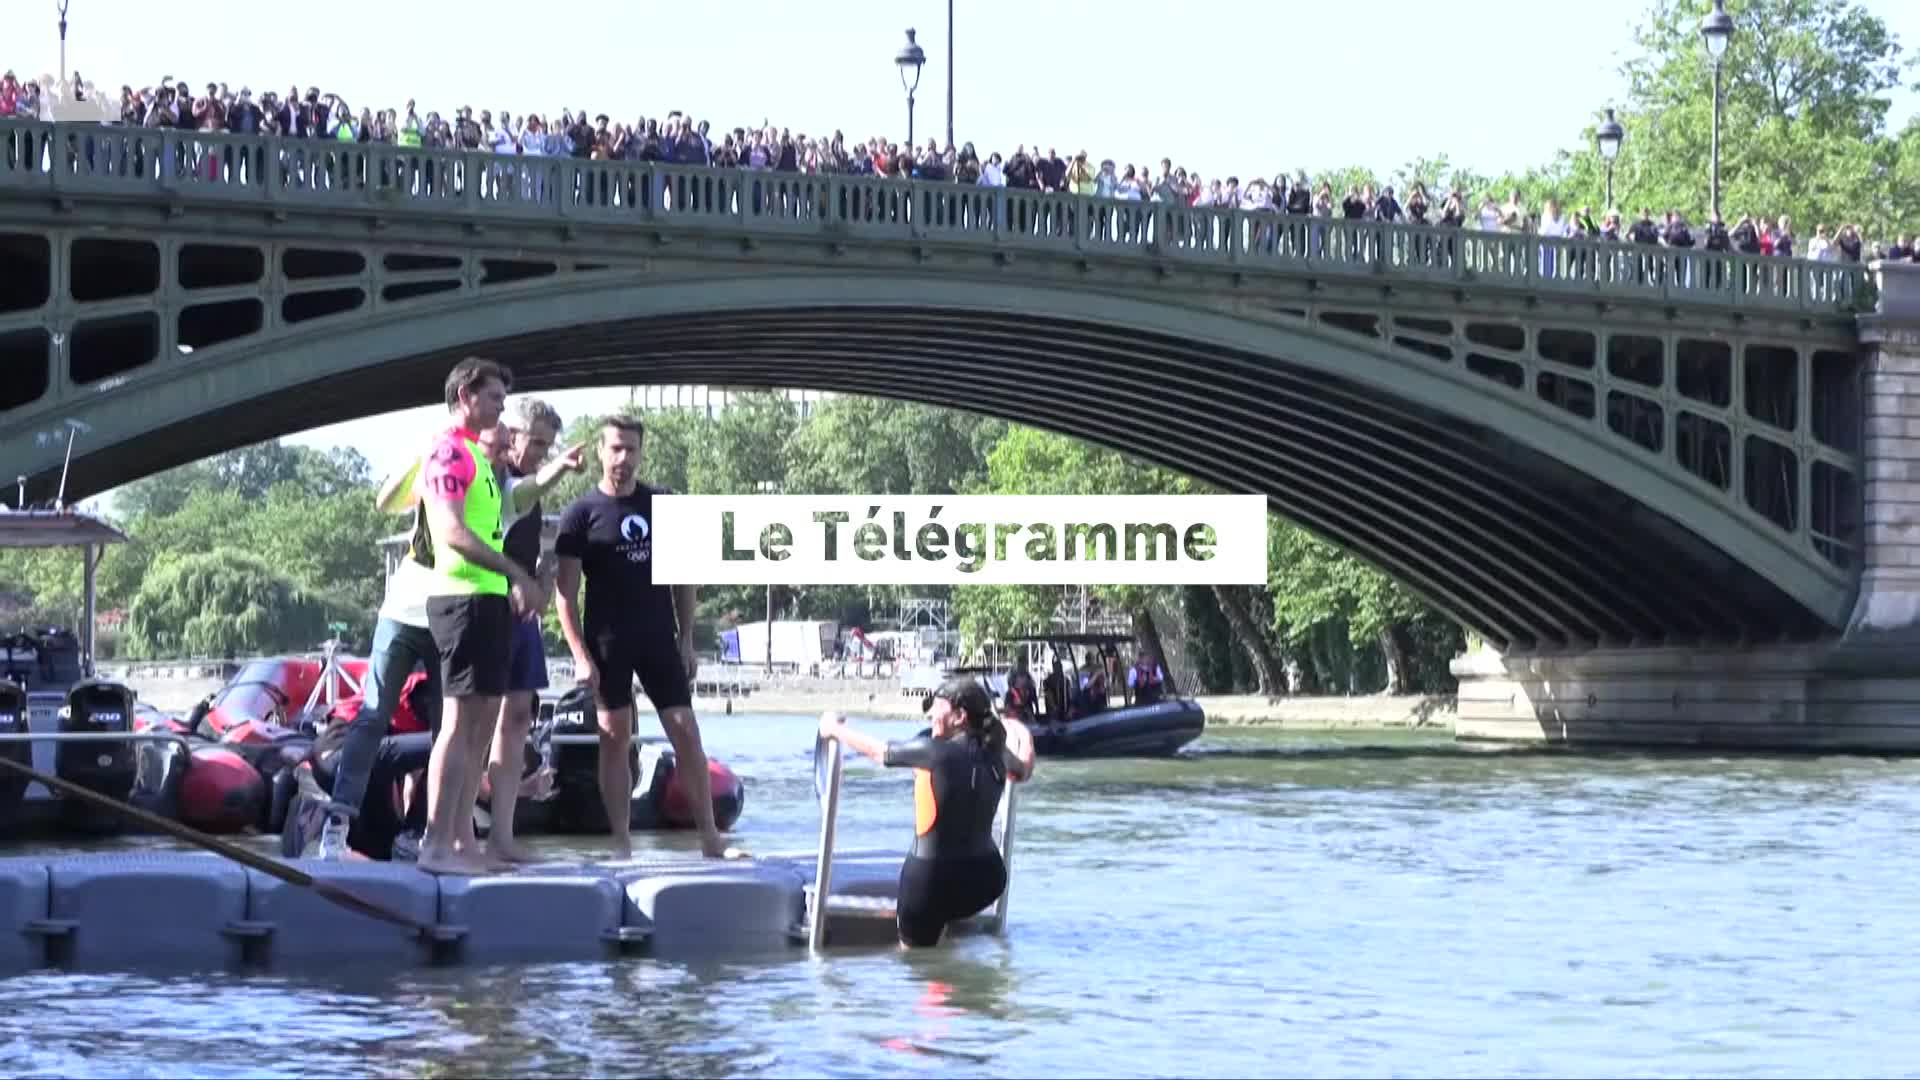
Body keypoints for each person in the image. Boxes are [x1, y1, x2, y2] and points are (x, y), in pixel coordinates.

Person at [554, 415, 735, 860]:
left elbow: (685, 579)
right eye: (615, 448)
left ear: (641, 453)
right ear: (601, 451)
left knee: (686, 733)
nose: (624, 458)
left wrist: (687, 637)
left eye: (631, 449)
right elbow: (564, 596)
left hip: (658, 637)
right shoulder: (581, 514)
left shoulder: (665, 504)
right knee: (614, 741)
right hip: (607, 642)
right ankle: (621, 842)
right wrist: (581, 655)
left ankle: (711, 839)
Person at [414, 357, 539, 876]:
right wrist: (516, 571)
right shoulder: (447, 451)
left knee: (481, 727)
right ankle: (435, 845)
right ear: (466, 394)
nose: (501, 408)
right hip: (461, 600)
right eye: (493, 398)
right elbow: (451, 532)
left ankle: (464, 844)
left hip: (488, 604)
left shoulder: (478, 457)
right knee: (458, 724)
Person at [817, 676, 1035, 948]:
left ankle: (937, 978)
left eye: (937, 708)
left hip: (929, 887)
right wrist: (1023, 733)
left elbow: (878, 752)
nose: (931, 714)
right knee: (946, 909)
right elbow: (1024, 769)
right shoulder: (997, 753)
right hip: (986, 881)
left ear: (959, 716)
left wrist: (833, 729)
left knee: (919, 965)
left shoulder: (931, 752)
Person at [484, 399, 584, 863]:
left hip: (523, 616)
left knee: (518, 717)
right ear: (512, 434)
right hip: (487, 606)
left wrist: (542, 580)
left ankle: (502, 835)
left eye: (548, 445)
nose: (541, 452)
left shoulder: (530, 487)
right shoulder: (492, 475)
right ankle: (456, 830)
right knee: (475, 724)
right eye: (536, 442)